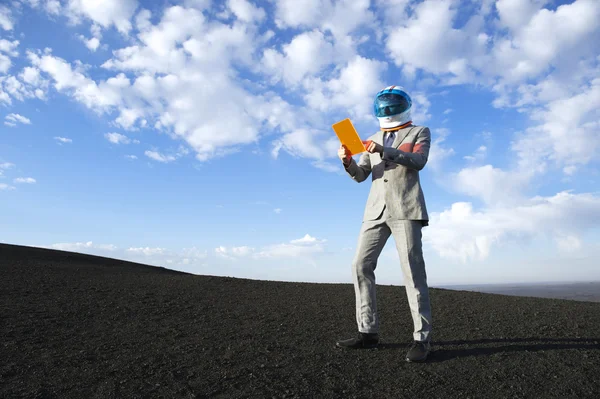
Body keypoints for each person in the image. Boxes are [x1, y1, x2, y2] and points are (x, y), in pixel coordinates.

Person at [335, 85, 433, 363]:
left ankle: (422, 339)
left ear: (403, 104)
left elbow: (418, 161)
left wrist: (385, 151)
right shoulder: (372, 138)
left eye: (392, 103)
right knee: (360, 265)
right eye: (384, 103)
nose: (388, 108)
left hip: (406, 209)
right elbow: (360, 175)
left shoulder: (419, 132)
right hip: (375, 212)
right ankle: (368, 332)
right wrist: (347, 162)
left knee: (413, 273)